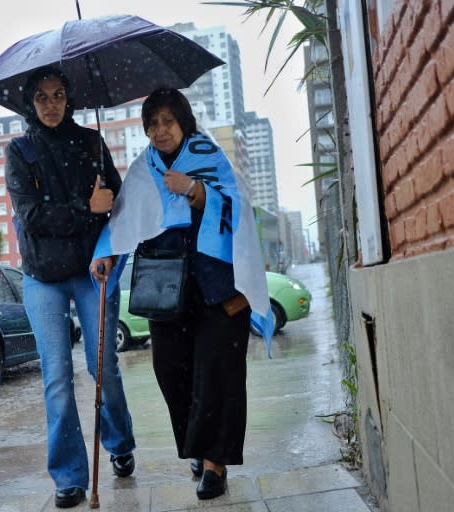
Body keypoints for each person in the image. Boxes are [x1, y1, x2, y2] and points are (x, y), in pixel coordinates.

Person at [92, 88, 273, 500]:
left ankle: (215, 462)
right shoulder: (143, 169)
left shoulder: (208, 154)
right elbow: (125, 220)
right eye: (152, 123)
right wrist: (104, 255)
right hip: (166, 283)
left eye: (168, 121)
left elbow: (238, 208)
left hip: (216, 284)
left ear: (184, 122)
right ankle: (197, 442)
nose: (160, 130)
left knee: (218, 372)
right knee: (171, 370)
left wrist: (195, 190)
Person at [5, 66, 136, 509]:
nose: (51, 103)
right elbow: (34, 218)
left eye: (58, 94)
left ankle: (119, 443)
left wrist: (106, 214)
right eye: (41, 97)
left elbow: (116, 208)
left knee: (103, 367)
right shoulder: (19, 151)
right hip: (42, 277)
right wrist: (86, 207)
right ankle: (69, 476)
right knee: (57, 376)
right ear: (30, 102)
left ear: (69, 99)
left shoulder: (91, 144)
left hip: (92, 270)